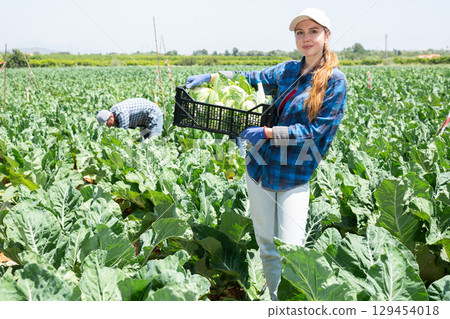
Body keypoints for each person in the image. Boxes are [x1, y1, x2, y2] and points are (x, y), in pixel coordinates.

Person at [186, 8, 347, 300]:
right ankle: (275, 303)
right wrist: (213, 76)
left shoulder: (335, 81)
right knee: (266, 246)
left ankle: (292, 304)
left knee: (292, 251)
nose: (306, 38)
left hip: (294, 174)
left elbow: (317, 133)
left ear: (327, 36)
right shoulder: (287, 70)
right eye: (300, 32)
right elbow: (250, 77)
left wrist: (268, 133)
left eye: (313, 31)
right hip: (259, 169)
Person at [96, 98, 163, 140]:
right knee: (143, 144)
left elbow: (122, 136)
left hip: (154, 116)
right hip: (144, 121)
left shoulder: (122, 114)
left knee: (154, 143)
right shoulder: (112, 111)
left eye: (108, 124)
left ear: (111, 117)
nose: (109, 127)